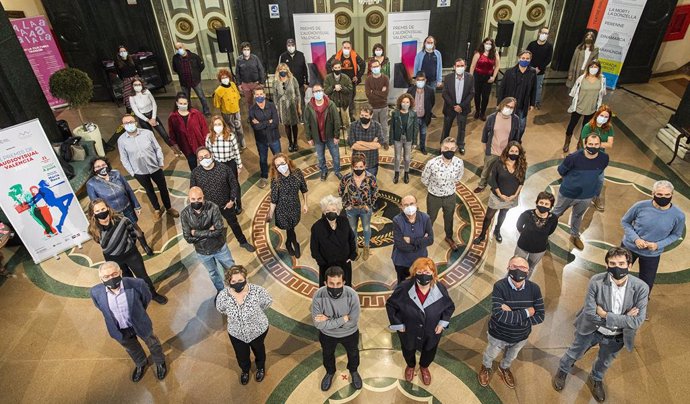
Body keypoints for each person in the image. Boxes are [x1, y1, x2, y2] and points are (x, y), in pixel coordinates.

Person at [553, 247, 649, 402]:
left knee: (605, 361)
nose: (617, 267)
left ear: (630, 265)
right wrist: (624, 318)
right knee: (575, 352)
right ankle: (563, 369)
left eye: (621, 263)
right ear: (607, 266)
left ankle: (596, 378)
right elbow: (591, 314)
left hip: (617, 336)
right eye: (612, 263)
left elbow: (637, 321)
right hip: (592, 329)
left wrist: (605, 314)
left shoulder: (641, 288)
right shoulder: (596, 281)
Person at [91, 261, 167, 382]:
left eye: (114, 274)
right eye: (106, 276)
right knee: (132, 348)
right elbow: (101, 307)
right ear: (101, 279)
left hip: (139, 322)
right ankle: (141, 363)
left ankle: (160, 361)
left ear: (120, 272)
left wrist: (138, 312)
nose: (111, 278)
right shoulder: (95, 292)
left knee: (153, 343)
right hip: (119, 328)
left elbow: (145, 299)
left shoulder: (137, 284)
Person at [478, 256, 545, 389]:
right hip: (498, 334)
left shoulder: (534, 289)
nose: (518, 270)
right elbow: (499, 314)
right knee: (490, 354)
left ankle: (504, 368)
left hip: (521, 337)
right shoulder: (499, 286)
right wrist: (526, 313)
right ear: (508, 268)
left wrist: (511, 315)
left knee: (511, 356)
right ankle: (486, 367)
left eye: (522, 268)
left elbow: (540, 316)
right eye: (514, 267)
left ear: (528, 270)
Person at [386, 257, 455, 385]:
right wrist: (398, 324)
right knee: (408, 349)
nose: (424, 276)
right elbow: (390, 305)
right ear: (414, 273)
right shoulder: (404, 288)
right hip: (408, 330)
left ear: (434, 273)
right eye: (420, 272)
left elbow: (449, 307)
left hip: (431, 331)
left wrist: (442, 323)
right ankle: (411, 366)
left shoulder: (440, 288)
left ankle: (424, 367)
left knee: (429, 350)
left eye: (428, 273)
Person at [87, 199, 167, 304]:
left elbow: (132, 233)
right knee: (126, 279)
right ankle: (135, 296)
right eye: (97, 211)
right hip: (113, 258)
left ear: (108, 208)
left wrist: (127, 245)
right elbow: (98, 241)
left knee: (142, 276)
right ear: (93, 213)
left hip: (131, 254)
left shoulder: (122, 220)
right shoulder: (93, 229)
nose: (101, 212)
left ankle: (152, 294)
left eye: (103, 209)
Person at [621, 180, 685, 295]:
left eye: (667, 195)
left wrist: (658, 245)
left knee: (646, 284)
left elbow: (676, 234)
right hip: (629, 247)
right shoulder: (640, 206)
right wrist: (636, 239)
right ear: (653, 193)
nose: (663, 197)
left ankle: (640, 305)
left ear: (672, 195)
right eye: (659, 194)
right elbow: (625, 222)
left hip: (652, 254)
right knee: (618, 274)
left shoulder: (678, 215)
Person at [190, 147, 255, 252]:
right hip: (208, 208)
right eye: (201, 158)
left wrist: (232, 200)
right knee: (211, 228)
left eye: (206, 156)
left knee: (234, 224)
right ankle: (216, 246)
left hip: (226, 204)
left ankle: (243, 242)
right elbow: (193, 190)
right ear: (198, 160)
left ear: (211, 155)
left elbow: (234, 184)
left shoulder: (223, 168)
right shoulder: (195, 173)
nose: (204, 159)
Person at [216, 265, 272, 385]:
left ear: (245, 278)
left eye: (240, 280)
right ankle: (245, 370)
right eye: (234, 281)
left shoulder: (258, 291)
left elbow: (267, 303)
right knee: (241, 354)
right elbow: (221, 309)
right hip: (236, 333)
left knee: (259, 350)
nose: (237, 283)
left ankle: (260, 367)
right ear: (229, 282)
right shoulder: (223, 296)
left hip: (258, 330)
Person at [552, 134, 609, 250]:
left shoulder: (604, 158)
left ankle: (574, 235)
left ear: (600, 144)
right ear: (585, 144)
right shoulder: (573, 158)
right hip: (568, 193)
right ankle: (544, 231)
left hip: (586, 196)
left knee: (578, 215)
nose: (593, 147)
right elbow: (561, 170)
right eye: (591, 144)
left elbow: (599, 173)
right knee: (557, 213)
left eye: (596, 144)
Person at [117, 114, 179, 220]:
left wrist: (160, 162)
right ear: (123, 125)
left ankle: (168, 208)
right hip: (139, 171)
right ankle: (157, 209)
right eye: (126, 123)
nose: (129, 124)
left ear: (135, 123)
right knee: (149, 190)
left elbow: (157, 148)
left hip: (155, 167)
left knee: (163, 188)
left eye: (131, 122)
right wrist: (132, 172)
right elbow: (124, 158)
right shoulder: (121, 140)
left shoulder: (147, 133)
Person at [312, 266, 362, 391]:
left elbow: (353, 321)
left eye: (338, 283)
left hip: (350, 334)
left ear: (344, 282)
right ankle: (330, 372)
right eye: (331, 283)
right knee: (327, 354)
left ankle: (354, 371)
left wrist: (328, 319)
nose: (335, 287)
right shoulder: (318, 295)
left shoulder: (352, 294)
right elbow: (318, 324)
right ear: (325, 283)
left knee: (353, 353)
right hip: (327, 335)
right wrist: (343, 319)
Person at [181, 187, 234, 292]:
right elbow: (188, 238)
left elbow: (219, 230)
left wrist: (195, 232)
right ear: (189, 199)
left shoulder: (213, 208)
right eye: (193, 199)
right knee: (213, 273)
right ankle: (221, 292)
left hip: (219, 247)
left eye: (199, 199)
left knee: (231, 269)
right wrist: (209, 231)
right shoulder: (185, 214)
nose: (196, 202)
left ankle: (235, 288)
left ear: (203, 198)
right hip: (203, 252)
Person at [473, 141, 526, 245]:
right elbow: (493, 180)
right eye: (512, 151)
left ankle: (497, 230)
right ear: (507, 151)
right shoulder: (499, 163)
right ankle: (482, 235)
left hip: (511, 197)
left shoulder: (522, 165)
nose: (514, 153)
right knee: (488, 216)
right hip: (497, 196)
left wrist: (515, 195)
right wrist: (500, 194)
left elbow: (521, 182)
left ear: (519, 153)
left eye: (516, 151)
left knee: (503, 214)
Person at [421, 137, 465, 251]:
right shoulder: (432, 163)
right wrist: (435, 187)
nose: (449, 150)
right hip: (434, 196)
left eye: (451, 148)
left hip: (450, 196)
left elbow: (458, 177)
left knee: (449, 218)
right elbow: (424, 179)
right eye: (446, 148)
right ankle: (425, 236)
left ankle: (449, 237)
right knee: (430, 218)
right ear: (441, 148)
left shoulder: (459, 163)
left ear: (455, 149)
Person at [474, 97, 520, 193]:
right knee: (486, 169)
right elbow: (485, 131)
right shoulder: (492, 117)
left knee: (502, 172)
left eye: (512, 107)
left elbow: (516, 136)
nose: (509, 109)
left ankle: (496, 188)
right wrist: (484, 144)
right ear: (502, 105)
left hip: (506, 153)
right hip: (492, 150)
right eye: (507, 106)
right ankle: (482, 185)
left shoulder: (515, 119)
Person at [338, 153, 379, 261]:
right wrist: (346, 204)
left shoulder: (370, 178)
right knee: (352, 229)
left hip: (365, 209)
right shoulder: (347, 177)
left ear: (365, 166)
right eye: (356, 167)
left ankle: (366, 247)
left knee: (366, 228)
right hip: (351, 210)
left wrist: (369, 205)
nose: (358, 169)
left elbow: (375, 192)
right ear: (352, 167)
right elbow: (340, 190)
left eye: (361, 167)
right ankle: (354, 248)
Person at [310, 195, 357, 286]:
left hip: (344, 263)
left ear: (338, 211)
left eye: (334, 210)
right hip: (327, 266)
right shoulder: (317, 227)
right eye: (328, 210)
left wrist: (352, 255)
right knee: (328, 288)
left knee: (345, 286)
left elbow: (351, 238)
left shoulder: (344, 221)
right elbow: (314, 249)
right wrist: (322, 263)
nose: (331, 212)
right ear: (324, 211)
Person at [269, 153, 309, 258]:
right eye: (278, 165)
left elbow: (304, 189)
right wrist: (269, 215)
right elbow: (273, 199)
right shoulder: (275, 180)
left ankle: (288, 243)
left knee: (291, 227)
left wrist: (305, 204)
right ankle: (294, 243)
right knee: (290, 228)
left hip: (295, 206)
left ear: (287, 162)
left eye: (282, 163)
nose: (281, 166)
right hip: (282, 209)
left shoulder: (297, 173)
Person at [564, 60, 606, 153]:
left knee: (585, 128)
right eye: (592, 67)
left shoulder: (602, 79)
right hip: (579, 107)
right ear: (588, 67)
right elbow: (574, 92)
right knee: (571, 125)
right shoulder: (581, 78)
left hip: (591, 109)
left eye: (596, 67)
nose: (593, 69)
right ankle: (567, 142)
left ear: (599, 69)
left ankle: (580, 143)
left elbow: (602, 94)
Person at [514, 192, 559, 278]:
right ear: (537, 202)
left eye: (546, 204)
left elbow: (550, 231)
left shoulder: (553, 218)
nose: (543, 206)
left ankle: (524, 283)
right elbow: (519, 226)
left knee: (529, 268)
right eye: (541, 203)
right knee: (516, 265)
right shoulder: (526, 214)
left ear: (551, 206)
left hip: (539, 249)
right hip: (523, 245)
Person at [87, 157, 142, 225]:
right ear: (94, 169)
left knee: (135, 227)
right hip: (112, 214)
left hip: (127, 208)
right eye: (98, 166)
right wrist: (103, 217)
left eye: (103, 165)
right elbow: (96, 205)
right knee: (122, 232)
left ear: (107, 165)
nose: (102, 167)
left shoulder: (116, 173)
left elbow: (128, 190)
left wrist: (137, 206)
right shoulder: (91, 184)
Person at [304, 83, 342, 181]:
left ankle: (337, 171)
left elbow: (337, 121)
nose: (318, 93)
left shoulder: (330, 104)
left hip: (330, 136)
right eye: (316, 91)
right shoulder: (309, 106)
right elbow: (307, 123)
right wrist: (309, 138)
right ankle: (324, 171)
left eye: (319, 91)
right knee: (320, 157)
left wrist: (337, 136)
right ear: (313, 93)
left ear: (323, 91)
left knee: (336, 156)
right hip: (317, 137)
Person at [580, 105, 615, 211]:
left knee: (599, 180)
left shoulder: (609, 128)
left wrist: (595, 144)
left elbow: (610, 144)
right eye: (602, 115)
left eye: (606, 116)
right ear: (597, 115)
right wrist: (598, 145)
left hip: (600, 157)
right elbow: (585, 144)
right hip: (587, 156)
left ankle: (596, 198)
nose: (603, 118)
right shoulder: (588, 126)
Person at [392, 195, 433, 284]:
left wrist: (411, 241)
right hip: (402, 262)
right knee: (403, 285)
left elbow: (430, 240)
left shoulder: (425, 218)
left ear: (416, 204)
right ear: (401, 207)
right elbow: (400, 245)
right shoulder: (397, 220)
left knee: (418, 283)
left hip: (420, 261)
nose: (409, 207)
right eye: (406, 205)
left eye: (411, 204)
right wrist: (421, 243)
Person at [206, 115, 244, 213]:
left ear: (223, 125)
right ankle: (227, 203)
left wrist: (239, 165)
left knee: (234, 184)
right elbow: (208, 153)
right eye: (215, 124)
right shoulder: (209, 138)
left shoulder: (230, 136)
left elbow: (236, 151)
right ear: (212, 126)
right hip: (218, 165)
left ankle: (238, 204)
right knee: (222, 185)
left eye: (219, 124)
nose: (217, 126)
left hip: (230, 163)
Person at [498, 50, 537, 142]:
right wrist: (499, 103)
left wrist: (532, 103)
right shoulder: (509, 72)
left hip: (522, 105)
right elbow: (502, 88)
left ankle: (516, 142)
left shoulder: (532, 72)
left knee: (521, 126)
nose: (525, 60)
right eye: (523, 58)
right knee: (507, 125)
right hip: (509, 105)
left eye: (527, 59)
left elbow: (534, 88)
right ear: (519, 58)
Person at [249, 86, 282, 189]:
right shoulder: (252, 109)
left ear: (265, 95)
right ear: (254, 96)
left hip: (273, 137)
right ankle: (264, 176)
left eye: (261, 94)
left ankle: (281, 175)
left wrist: (262, 123)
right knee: (263, 159)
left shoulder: (271, 106)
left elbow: (276, 122)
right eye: (257, 95)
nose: (259, 96)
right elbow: (255, 126)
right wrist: (268, 122)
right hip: (261, 140)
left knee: (279, 157)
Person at [441, 58, 474, 155]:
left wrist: (461, 106)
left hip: (463, 109)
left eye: (462, 66)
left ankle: (461, 145)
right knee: (446, 128)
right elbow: (444, 93)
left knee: (462, 128)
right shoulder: (448, 77)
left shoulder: (470, 78)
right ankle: (444, 145)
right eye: (458, 66)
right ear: (454, 67)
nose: (460, 68)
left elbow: (471, 93)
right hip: (450, 108)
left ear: (465, 67)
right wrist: (454, 106)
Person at [168, 92, 209, 170]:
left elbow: (204, 128)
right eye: (181, 103)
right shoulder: (172, 117)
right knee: (193, 165)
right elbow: (172, 132)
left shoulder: (196, 113)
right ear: (177, 103)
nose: (183, 105)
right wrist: (174, 144)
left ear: (188, 103)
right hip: (186, 147)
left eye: (185, 103)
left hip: (200, 144)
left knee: (205, 164)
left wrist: (206, 141)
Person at [326, 41, 366, 121]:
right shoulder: (336, 56)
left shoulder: (355, 56)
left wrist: (357, 76)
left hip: (351, 83)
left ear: (351, 48)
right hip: (339, 83)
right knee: (339, 101)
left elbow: (363, 64)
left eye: (348, 48)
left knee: (350, 101)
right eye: (345, 48)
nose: (346, 49)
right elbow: (328, 64)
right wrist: (332, 76)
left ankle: (350, 118)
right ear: (342, 48)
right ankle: (339, 119)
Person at [129, 77, 172, 147]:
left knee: (164, 134)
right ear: (132, 86)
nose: (137, 86)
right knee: (151, 137)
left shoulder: (146, 92)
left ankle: (175, 150)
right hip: (143, 119)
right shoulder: (131, 97)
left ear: (142, 85)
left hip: (152, 114)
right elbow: (136, 112)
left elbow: (154, 103)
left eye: (139, 84)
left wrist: (153, 118)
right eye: (135, 85)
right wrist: (147, 120)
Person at [172, 42, 210, 116]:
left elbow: (201, 66)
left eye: (180, 47)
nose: (179, 49)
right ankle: (188, 111)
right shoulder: (175, 58)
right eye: (177, 48)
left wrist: (196, 74)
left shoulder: (194, 56)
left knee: (201, 96)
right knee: (186, 98)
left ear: (184, 46)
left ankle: (206, 111)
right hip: (184, 82)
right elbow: (175, 68)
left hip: (195, 81)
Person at [212, 68, 246, 150]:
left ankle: (242, 143)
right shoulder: (218, 91)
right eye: (223, 77)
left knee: (239, 128)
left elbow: (237, 96)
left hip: (236, 110)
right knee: (232, 130)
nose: (225, 79)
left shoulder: (233, 85)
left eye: (226, 77)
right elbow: (217, 104)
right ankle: (236, 145)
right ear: (220, 79)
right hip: (227, 113)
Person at [273, 63, 302, 152]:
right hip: (282, 106)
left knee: (294, 125)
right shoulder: (275, 82)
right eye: (281, 69)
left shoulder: (293, 80)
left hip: (293, 105)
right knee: (286, 125)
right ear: (278, 71)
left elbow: (298, 94)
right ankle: (290, 142)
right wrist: (276, 107)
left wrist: (299, 107)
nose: (283, 71)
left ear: (287, 70)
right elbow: (275, 96)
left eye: (284, 69)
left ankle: (295, 142)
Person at [469, 38, 500, 121]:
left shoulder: (495, 54)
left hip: (488, 77)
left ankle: (483, 112)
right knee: (477, 95)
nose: (488, 45)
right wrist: (471, 78)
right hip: (477, 76)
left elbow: (497, 66)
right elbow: (472, 66)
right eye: (487, 43)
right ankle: (477, 111)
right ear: (483, 43)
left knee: (485, 96)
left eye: (490, 44)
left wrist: (493, 77)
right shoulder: (478, 53)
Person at [390, 93, 418, 183]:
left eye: (407, 102)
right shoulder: (395, 113)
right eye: (403, 102)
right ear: (400, 103)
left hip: (408, 139)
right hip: (397, 138)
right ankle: (396, 173)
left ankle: (406, 173)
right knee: (397, 157)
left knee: (407, 158)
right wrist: (391, 140)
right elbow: (392, 128)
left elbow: (415, 128)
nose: (405, 104)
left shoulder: (413, 114)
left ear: (410, 104)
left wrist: (414, 142)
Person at [348, 105, 383, 176]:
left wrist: (360, 142)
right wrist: (372, 144)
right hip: (357, 163)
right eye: (362, 115)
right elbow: (353, 145)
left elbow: (379, 145)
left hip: (372, 161)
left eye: (366, 115)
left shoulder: (377, 126)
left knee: (371, 183)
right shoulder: (353, 126)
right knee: (358, 184)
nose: (363, 117)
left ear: (371, 115)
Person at [407, 71, 435, 155]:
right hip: (413, 117)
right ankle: (412, 146)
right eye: (418, 80)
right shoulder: (410, 90)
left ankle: (422, 147)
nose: (420, 81)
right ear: (415, 81)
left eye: (422, 80)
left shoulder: (430, 90)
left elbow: (432, 102)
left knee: (423, 133)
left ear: (425, 80)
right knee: (413, 134)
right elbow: (407, 102)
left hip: (424, 117)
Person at [323, 60, 353, 137]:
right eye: (335, 68)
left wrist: (342, 88)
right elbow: (326, 91)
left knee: (346, 122)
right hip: (333, 104)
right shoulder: (328, 78)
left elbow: (350, 89)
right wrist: (333, 87)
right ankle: (335, 136)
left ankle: (349, 136)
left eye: (339, 67)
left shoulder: (346, 77)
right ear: (332, 69)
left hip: (344, 104)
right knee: (334, 121)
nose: (337, 69)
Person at [278, 39, 309, 112]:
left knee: (301, 103)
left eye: (292, 45)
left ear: (295, 46)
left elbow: (306, 69)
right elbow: (279, 71)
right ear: (286, 46)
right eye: (289, 45)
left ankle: (302, 119)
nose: (291, 47)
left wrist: (307, 83)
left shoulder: (301, 55)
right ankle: (293, 120)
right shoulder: (282, 56)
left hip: (300, 85)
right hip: (287, 86)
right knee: (290, 104)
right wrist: (281, 83)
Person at [364, 59, 390, 147]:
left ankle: (385, 141)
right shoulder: (368, 80)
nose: (376, 68)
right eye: (374, 67)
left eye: (377, 66)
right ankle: (375, 141)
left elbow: (385, 94)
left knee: (384, 126)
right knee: (373, 126)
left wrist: (373, 91)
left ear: (380, 67)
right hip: (373, 107)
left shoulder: (385, 78)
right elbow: (368, 95)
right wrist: (379, 92)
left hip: (383, 106)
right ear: (371, 68)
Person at [526, 27, 553, 108]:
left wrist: (539, 68)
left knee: (538, 87)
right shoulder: (532, 44)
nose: (544, 35)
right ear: (539, 33)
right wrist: (531, 68)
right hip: (530, 70)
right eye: (543, 33)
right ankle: (526, 101)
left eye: (546, 33)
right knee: (527, 86)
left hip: (540, 71)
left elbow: (548, 59)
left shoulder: (549, 46)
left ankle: (536, 102)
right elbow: (527, 55)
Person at [235, 41, 266, 106]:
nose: (246, 51)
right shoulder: (239, 60)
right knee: (249, 102)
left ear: (250, 50)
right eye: (244, 49)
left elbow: (261, 70)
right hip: (245, 84)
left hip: (256, 83)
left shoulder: (255, 58)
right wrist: (239, 84)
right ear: (242, 50)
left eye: (248, 49)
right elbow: (237, 73)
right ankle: (252, 115)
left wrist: (262, 82)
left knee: (259, 100)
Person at [115, 45, 138, 113]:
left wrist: (138, 77)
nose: (123, 52)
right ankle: (129, 112)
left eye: (124, 51)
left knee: (138, 94)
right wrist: (125, 79)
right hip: (126, 80)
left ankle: (139, 109)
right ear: (119, 53)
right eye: (121, 51)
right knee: (128, 97)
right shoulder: (117, 62)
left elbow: (137, 68)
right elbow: (119, 73)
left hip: (135, 78)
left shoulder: (132, 59)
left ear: (127, 51)